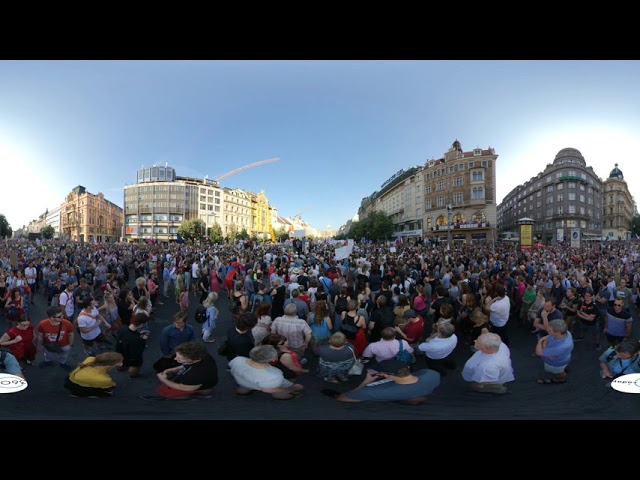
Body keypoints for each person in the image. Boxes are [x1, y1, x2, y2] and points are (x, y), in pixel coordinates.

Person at [321, 359, 440, 405]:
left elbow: (343, 398)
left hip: (397, 394)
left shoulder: (374, 391)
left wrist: (365, 382)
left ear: (386, 375)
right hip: (420, 393)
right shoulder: (431, 373)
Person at [141, 342, 219, 401]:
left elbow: (183, 387)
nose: (175, 359)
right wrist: (174, 368)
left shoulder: (195, 375)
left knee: (172, 391)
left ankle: (187, 397)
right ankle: (205, 392)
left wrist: (163, 379)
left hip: (194, 383)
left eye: (180, 358)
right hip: (209, 380)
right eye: (177, 355)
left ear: (192, 358)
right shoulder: (203, 355)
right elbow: (190, 363)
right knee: (205, 388)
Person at [229, 345, 304, 400]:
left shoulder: (237, 359)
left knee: (244, 387)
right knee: (278, 393)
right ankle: (288, 397)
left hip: (243, 382)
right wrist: (290, 389)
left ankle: (242, 392)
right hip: (266, 385)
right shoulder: (275, 374)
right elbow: (268, 389)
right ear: (273, 360)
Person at [535, 319, 574, 385]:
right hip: (563, 357)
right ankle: (564, 369)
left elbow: (538, 352)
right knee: (563, 367)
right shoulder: (566, 332)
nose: (547, 330)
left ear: (558, 333)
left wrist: (540, 341)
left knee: (559, 372)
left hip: (555, 363)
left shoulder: (560, 347)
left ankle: (561, 379)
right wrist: (546, 348)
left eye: (550, 330)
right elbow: (547, 339)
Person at [36, 305, 75, 370]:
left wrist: (70, 345)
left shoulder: (67, 323)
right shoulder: (42, 324)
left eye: (62, 315)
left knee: (63, 355)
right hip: (48, 344)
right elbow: (40, 335)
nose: (62, 317)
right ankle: (48, 361)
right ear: (51, 318)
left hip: (64, 345)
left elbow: (71, 334)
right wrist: (38, 346)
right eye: (59, 316)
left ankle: (62, 363)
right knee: (48, 354)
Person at [115, 312, 149, 378]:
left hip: (120, 351)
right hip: (132, 357)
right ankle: (133, 375)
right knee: (135, 366)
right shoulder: (136, 339)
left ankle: (119, 369)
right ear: (141, 324)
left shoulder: (123, 328)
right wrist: (143, 339)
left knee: (120, 362)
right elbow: (139, 350)